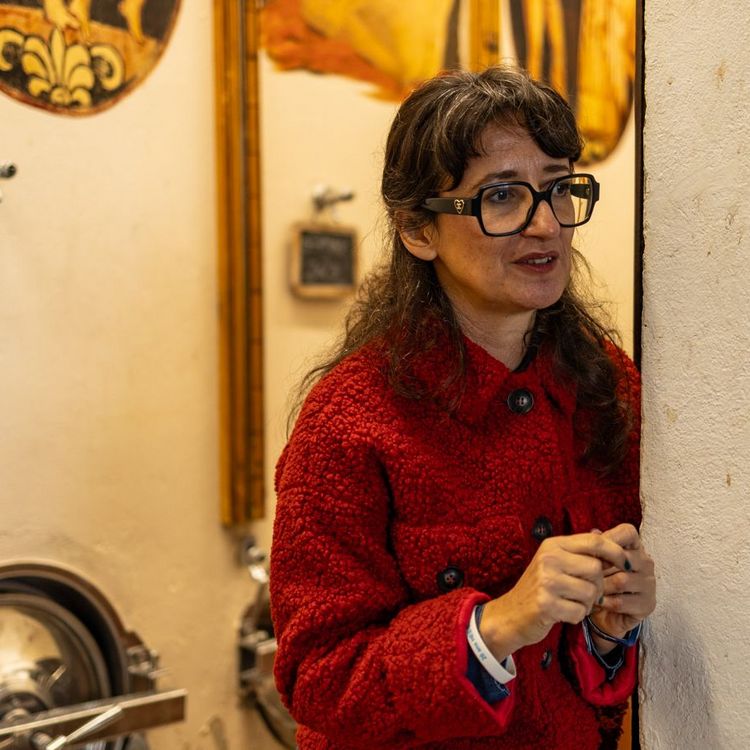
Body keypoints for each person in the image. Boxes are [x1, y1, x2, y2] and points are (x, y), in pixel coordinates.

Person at [270, 65, 656, 750]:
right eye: (501, 196)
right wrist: (494, 626)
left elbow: (588, 680)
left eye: (558, 187)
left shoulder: (608, 388)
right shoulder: (351, 420)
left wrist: (606, 631)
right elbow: (318, 678)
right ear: (418, 230)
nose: (545, 225)